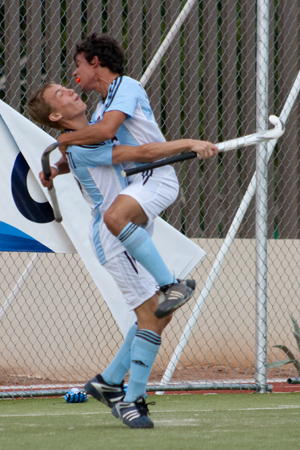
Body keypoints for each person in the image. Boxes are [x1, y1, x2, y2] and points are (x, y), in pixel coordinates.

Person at [27, 81, 217, 428]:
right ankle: (132, 400)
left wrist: (56, 169)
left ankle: (109, 381)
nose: (70, 90)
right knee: (152, 315)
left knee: (160, 315)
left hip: (128, 230)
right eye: (61, 95)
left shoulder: (86, 136)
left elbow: (75, 154)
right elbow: (142, 154)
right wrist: (190, 142)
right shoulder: (83, 146)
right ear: (56, 115)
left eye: (67, 87)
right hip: (114, 239)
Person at [54, 32, 207, 319]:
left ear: (95, 61)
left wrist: (65, 138)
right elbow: (96, 150)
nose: (74, 72)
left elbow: (106, 133)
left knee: (113, 217)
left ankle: (173, 285)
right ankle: (162, 292)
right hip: (136, 185)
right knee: (149, 314)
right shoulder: (101, 108)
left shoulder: (125, 87)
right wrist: (55, 168)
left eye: (78, 63)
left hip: (154, 177)